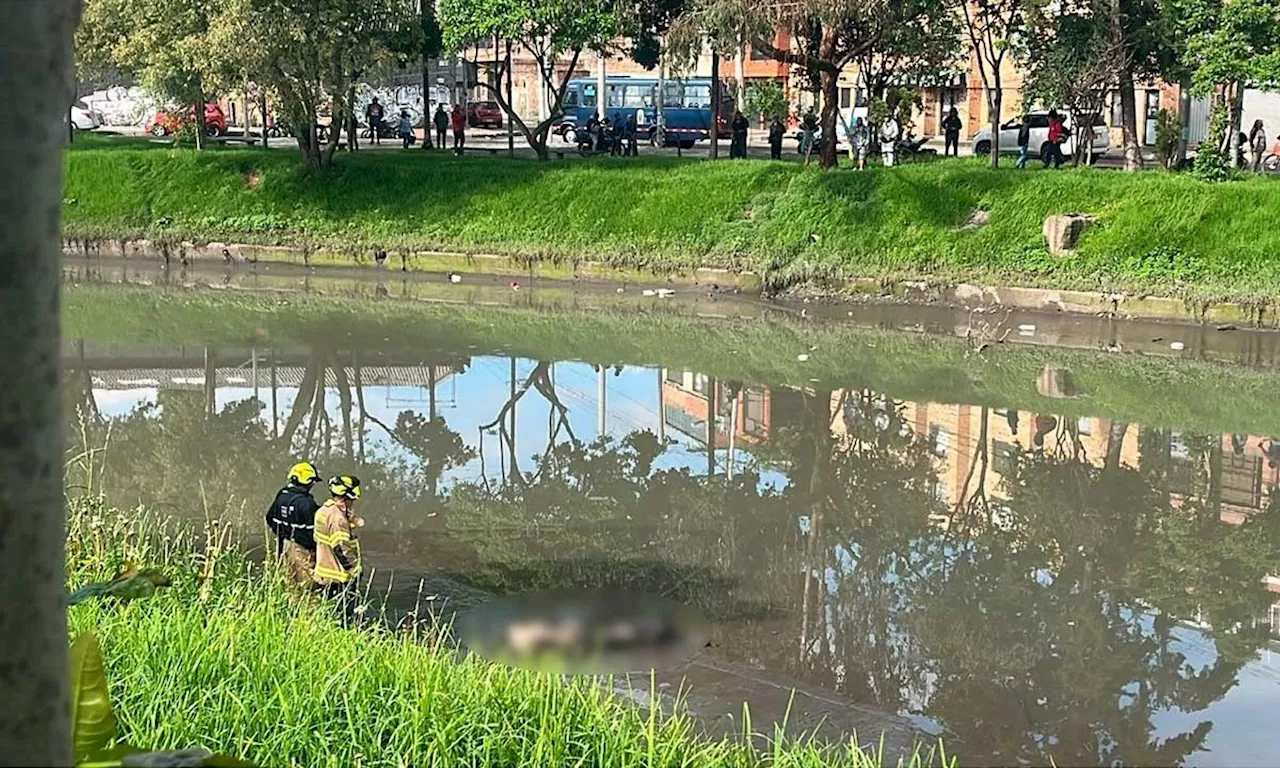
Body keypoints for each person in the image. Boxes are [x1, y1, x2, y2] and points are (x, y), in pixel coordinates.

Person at [313, 475, 365, 617]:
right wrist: (355, 569)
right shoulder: (338, 519)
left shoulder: (324, 510)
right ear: (346, 497)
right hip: (338, 576)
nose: (353, 503)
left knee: (327, 611)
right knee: (343, 615)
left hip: (323, 571)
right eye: (352, 500)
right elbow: (340, 548)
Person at [265, 462, 321, 583]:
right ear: (308, 481)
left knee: (288, 585)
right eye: (313, 481)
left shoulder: (282, 495)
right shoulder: (306, 503)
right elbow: (315, 534)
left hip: (283, 549)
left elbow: (270, 518)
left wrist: (282, 533)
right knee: (308, 590)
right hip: (303, 552)